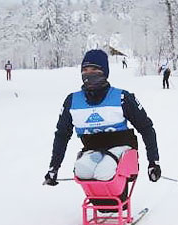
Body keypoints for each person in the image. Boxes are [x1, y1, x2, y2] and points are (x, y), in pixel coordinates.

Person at [44, 49, 161, 192]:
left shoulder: (122, 98)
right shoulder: (72, 101)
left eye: (94, 69)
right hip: (93, 150)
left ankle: (117, 198)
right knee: (82, 170)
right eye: (85, 70)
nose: (88, 74)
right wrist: (53, 167)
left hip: (122, 150)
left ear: (104, 72)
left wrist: (153, 162)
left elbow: (146, 128)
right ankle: (103, 203)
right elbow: (62, 135)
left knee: (104, 171)